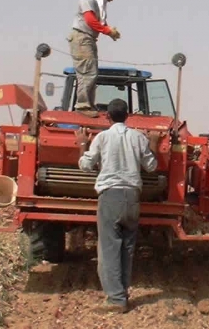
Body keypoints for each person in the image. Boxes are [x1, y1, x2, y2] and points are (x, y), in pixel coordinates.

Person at [77, 98, 159, 313]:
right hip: (132, 197)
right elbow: (151, 166)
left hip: (110, 196)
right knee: (127, 248)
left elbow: (86, 165)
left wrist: (82, 144)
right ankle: (122, 292)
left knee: (109, 248)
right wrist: (154, 144)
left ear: (108, 116)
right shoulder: (138, 138)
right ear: (128, 115)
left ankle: (116, 300)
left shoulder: (102, 137)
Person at [68, 0, 123, 117]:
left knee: (92, 72)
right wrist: (107, 31)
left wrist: (109, 30)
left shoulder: (98, 2)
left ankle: (89, 105)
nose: (111, 0)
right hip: (82, 38)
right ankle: (83, 106)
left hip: (88, 39)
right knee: (87, 72)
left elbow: (99, 22)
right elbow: (90, 20)